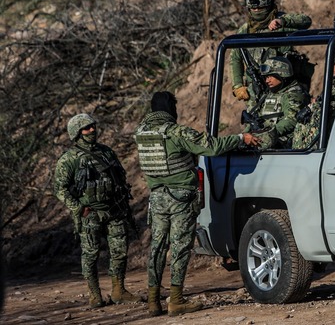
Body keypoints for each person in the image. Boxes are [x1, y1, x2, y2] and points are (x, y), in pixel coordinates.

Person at [134, 91, 259, 316]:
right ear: (170, 108)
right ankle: (176, 300)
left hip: (157, 197)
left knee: (158, 247)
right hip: (180, 197)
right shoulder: (175, 132)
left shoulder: (141, 132)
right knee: (180, 247)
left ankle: (153, 301)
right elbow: (210, 146)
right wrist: (241, 138)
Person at [54, 113, 142, 309]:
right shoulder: (69, 160)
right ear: (76, 133)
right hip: (90, 214)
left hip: (114, 211)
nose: (92, 130)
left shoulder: (107, 152)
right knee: (91, 254)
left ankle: (119, 290)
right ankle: (95, 295)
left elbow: (119, 180)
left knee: (120, 251)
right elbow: (60, 189)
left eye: (93, 126)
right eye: (86, 128)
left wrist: (123, 205)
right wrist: (79, 208)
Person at [230, 0, 313, 107]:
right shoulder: (245, 30)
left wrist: (283, 21)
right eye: (254, 9)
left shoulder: (281, 22)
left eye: (260, 8)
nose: (257, 11)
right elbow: (235, 58)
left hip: (285, 87)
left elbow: (306, 21)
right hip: (257, 89)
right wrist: (237, 85)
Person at [247, 56, 310, 149]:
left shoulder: (294, 93)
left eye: (270, 76)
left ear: (282, 74)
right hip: (267, 140)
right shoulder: (270, 94)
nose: (267, 80)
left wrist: (268, 134)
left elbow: (291, 120)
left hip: (284, 145)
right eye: (266, 77)